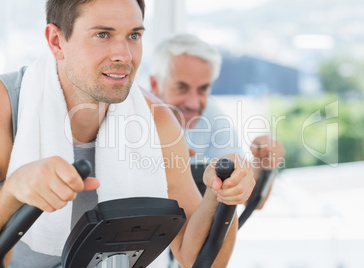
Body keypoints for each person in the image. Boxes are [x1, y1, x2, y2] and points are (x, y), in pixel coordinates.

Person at [0, 1, 256, 268]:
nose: (124, 55)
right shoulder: (6, 107)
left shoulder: (157, 121)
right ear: (56, 41)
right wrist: (12, 192)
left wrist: (224, 194)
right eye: (103, 34)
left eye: (134, 36)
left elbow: (199, 260)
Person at [150, 34, 285, 209]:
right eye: (181, 88)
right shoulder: (130, 118)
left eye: (203, 89)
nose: (193, 103)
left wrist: (264, 164)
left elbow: (251, 200)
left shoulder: (212, 117)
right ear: (155, 85)